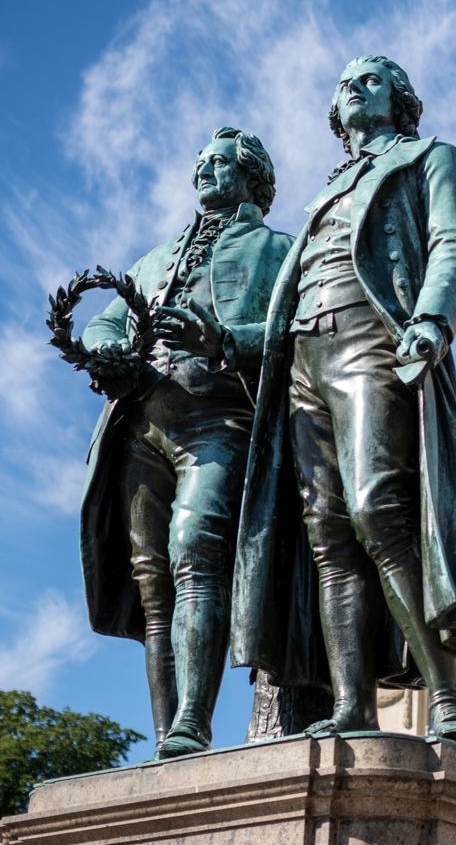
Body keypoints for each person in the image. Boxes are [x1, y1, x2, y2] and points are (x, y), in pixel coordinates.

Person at [233, 55, 456, 747]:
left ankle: (448, 700)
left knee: (378, 508)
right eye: (344, 83)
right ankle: (352, 704)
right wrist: (224, 339)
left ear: (401, 98)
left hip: (371, 339)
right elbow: (288, 298)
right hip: (302, 361)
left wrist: (432, 319)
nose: (353, 87)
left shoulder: (431, 157)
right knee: (327, 533)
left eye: (370, 79)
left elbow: (453, 243)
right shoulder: (326, 192)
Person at [78, 127, 294, 758]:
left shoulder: (279, 250)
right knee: (152, 582)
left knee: (195, 549)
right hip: (140, 425)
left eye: (219, 162)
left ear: (252, 176)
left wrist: (226, 340)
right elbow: (104, 321)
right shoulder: (153, 261)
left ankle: (192, 722)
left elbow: (294, 329)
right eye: (200, 162)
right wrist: (106, 350)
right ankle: (168, 736)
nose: (204, 170)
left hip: (219, 418)